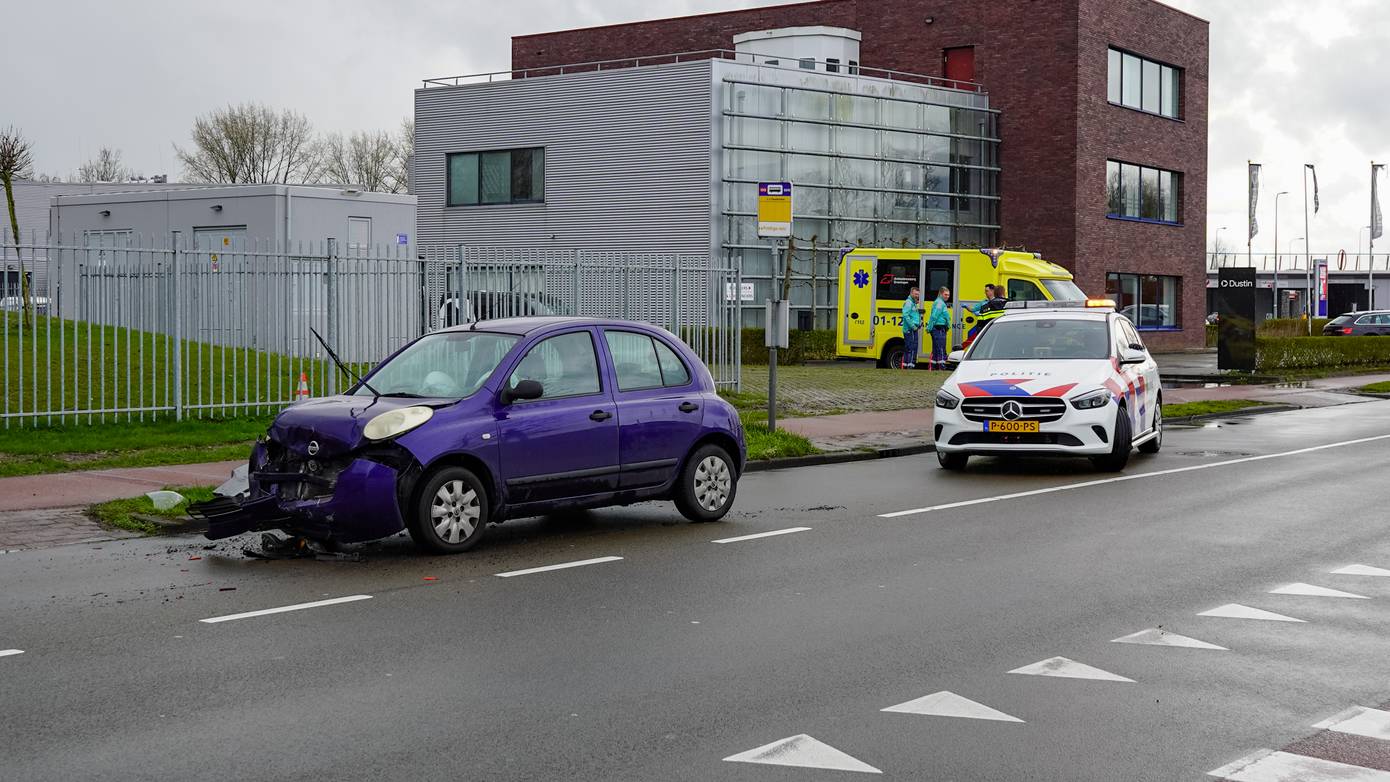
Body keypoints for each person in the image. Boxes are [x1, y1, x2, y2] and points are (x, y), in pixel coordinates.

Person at [928, 286, 952, 369]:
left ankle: (934, 365)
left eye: (948, 295)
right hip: (938, 328)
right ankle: (941, 365)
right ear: (941, 294)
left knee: (936, 348)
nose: (947, 296)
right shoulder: (939, 303)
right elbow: (934, 316)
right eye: (945, 294)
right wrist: (929, 327)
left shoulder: (940, 302)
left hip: (939, 328)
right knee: (940, 347)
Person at [900, 286, 923, 368]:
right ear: (911, 293)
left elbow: (912, 315)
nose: (917, 296)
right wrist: (913, 326)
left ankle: (906, 364)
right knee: (911, 347)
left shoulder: (912, 303)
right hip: (910, 329)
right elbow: (906, 315)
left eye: (918, 294)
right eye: (915, 294)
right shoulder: (909, 303)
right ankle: (910, 365)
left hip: (912, 329)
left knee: (909, 347)